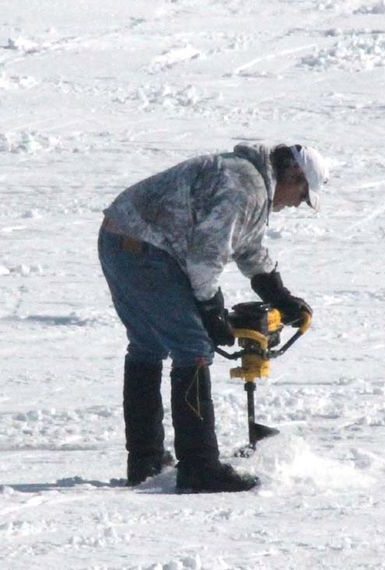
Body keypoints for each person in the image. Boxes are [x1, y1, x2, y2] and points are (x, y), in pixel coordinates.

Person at [98, 143, 328, 493]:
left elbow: (246, 245)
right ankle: (199, 466)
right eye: (302, 193)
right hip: (146, 248)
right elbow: (206, 257)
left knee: (147, 345)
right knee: (193, 345)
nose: (297, 203)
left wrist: (280, 296)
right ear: (293, 174)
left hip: (120, 237)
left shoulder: (251, 183)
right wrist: (211, 311)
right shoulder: (246, 187)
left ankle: (144, 460)